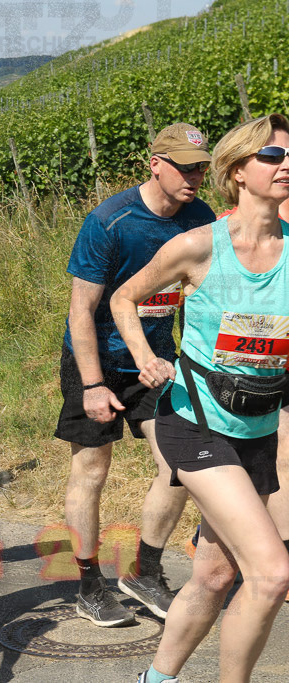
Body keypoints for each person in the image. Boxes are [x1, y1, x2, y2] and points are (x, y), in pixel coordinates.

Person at [112, 113, 289, 683]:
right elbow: (123, 298)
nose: (285, 165)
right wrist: (145, 356)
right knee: (272, 574)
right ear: (238, 171)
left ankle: (155, 679)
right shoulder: (198, 246)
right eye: (272, 156)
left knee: (214, 576)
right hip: (196, 425)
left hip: (257, 430)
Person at [54, 123, 217, 627]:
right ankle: (88, 585)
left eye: (201, 168)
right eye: (184, 167)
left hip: (158, 362)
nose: (194, 177)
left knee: (180, 465)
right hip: (97, 361)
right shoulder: (111, 221)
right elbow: (81, 310)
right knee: (92, 470)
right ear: (156, 165)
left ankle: (145, 572)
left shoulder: (201, 219)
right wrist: (92, 384)